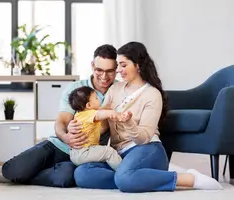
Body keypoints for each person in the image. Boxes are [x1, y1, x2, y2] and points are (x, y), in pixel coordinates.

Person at [73, 41, 223, 192]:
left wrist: (129, 122)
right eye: (118, 65)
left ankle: (188, 178)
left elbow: (143, 138)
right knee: (82, 174)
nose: (119, 70)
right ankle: (139, 177)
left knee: (124, 178)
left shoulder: (152, 94)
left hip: (146, 149)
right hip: (119, 154)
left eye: (123, 65)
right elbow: (103, 124)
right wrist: (82, 128)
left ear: (137, 65)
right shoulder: (115, 89)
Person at [0, 44, 118, 186]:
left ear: (117, 69)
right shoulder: (76, 89)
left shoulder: (120, 91)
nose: (104, 77)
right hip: (58, 145)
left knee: (64, 178)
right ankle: (15, 173)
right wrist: (66, 137)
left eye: (110, 71)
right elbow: (61, 122)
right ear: (92, 66)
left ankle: (23, 176)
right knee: (12, 170)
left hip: (83, 154)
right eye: (99, 70)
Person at [68, 86, 131, 170]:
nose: (99, 100)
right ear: (89, 105)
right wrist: (116, 114)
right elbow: (102, 114)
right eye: (96, 98)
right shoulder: (90, 114)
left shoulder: (80, 114)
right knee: (109, 152)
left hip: (76, 153)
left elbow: (100, 110)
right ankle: (123, 172)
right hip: (84, 152)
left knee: (101, 154)